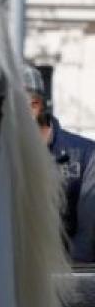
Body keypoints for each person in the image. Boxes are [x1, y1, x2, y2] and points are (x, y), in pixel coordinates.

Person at [25, 62, 95, 263]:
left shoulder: (86, 155)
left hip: (67, 273)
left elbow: (87, 239)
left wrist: (56, 276)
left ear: (35, 107)